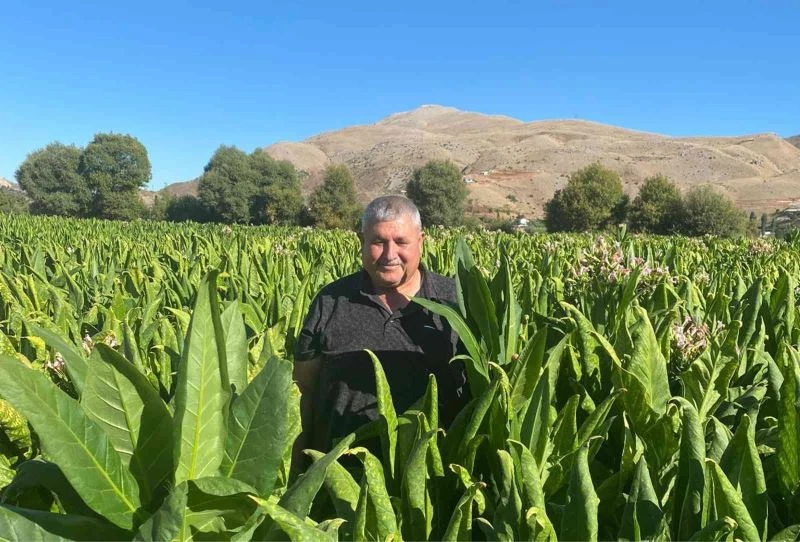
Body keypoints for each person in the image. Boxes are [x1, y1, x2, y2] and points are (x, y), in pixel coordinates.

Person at [292, 195, 468, 456]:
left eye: (401, 242)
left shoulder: (456, 301)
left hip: (434, 479)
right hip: (340, 473)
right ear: (361, 242)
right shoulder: (330, 300)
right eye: (378, 242)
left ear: (420, 241)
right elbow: (303, 388)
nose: (389, 254)